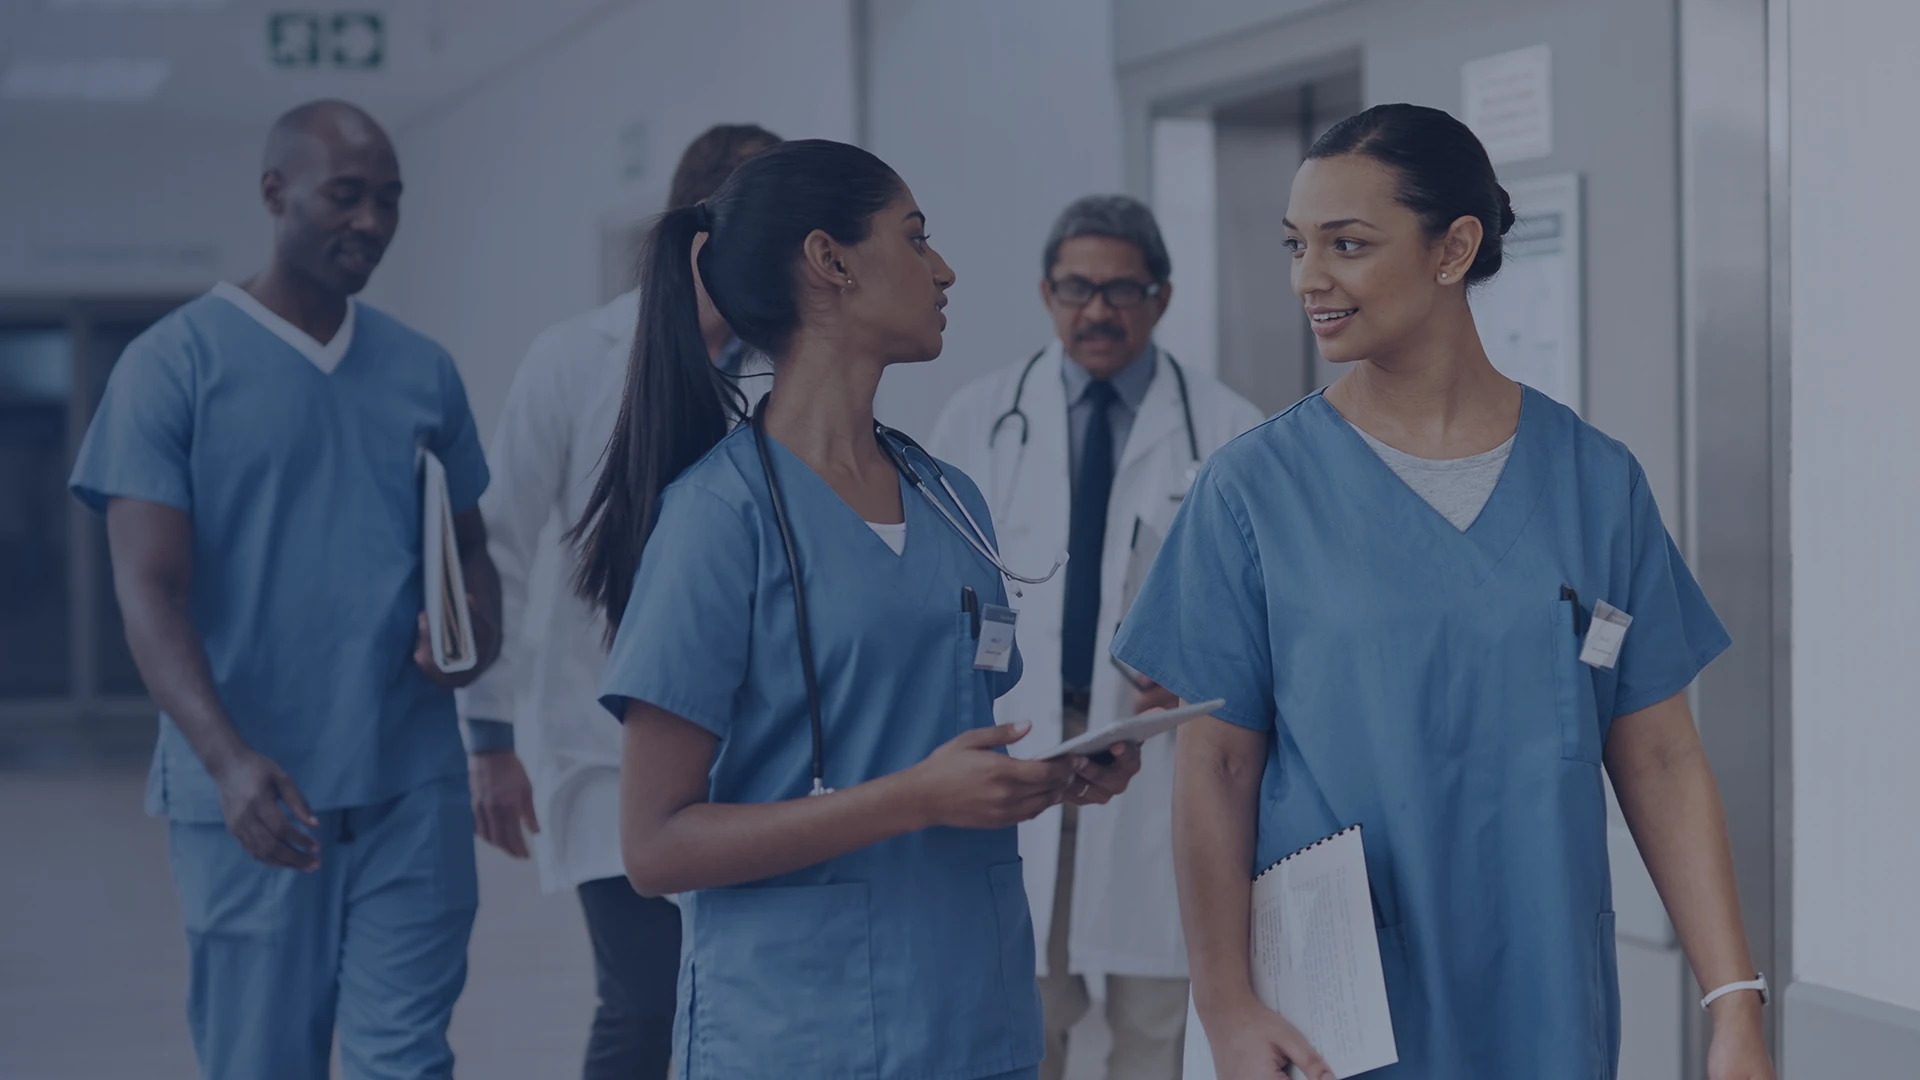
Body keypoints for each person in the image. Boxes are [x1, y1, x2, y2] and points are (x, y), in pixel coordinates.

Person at [1111, 103, 1778, 1080]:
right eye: (1297, 245)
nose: (1309, 279)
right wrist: (1224, 1004)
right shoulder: (1251, 491)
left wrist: (1733, 1003)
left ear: (1453, 248)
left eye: (1347, 244)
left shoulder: (1594, 482)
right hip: (1332, 1006)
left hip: (1544, 989)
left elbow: (1663, 757)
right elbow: (1213, 770)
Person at [570, 139, 1143, 1080]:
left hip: (975, 1012)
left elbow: (935, 738)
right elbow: (655, 847)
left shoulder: (950, 495)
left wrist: (1041, 780)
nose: (945, 269)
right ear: (830, 262)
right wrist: (916, 797)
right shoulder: (719, 520)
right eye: (916, 240)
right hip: (800, 1028)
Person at [68, 100, 500, 1079]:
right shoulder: (171, 367)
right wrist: (224, 762)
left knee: (407, 1060)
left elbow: (472, 550)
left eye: (390, 201)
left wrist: (474, 631)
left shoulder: (422, 372)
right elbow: (149, 591)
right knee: (263, 1061)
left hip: (409, 783)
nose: (373, 222)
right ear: (275, 192)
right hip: (255, 793)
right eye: (346, 195)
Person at [455, 121, 779, 1079]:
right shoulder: (573, 357)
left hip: (749, 747)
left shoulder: (783, 366)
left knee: (732, 1001)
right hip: (602, 747)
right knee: (643, 1006)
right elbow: (498, 551)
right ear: (709, 237)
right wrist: (486, 741)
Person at [928, 195, 1263, 1080]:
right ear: (1046, 292)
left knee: (1158, 1030)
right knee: (1021, 1025)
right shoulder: (980, 416)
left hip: (1157, 758)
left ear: (1161, 297)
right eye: (1077, 287)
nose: (1098, 310)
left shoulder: (1228, 432)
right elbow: (931, 593)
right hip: (1023, 745)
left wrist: (1203, 670)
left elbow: (1266, 613)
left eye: (1122, 289)